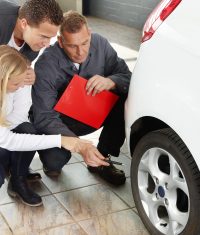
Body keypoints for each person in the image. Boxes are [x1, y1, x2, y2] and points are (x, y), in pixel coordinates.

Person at [0, 45, 108, 207]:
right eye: (16, 84)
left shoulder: (22, 80)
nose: (21, 86)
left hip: (5, 135)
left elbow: (17, 120)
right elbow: (7, 139)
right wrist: (61, 140)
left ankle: (16, 177)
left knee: (27, 130)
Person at [32, 11, 131, 186]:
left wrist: (111, 81)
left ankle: (102, 159)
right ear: (60, 41)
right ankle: (51, 157)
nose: (80, 52)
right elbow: (44, 116)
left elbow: (126, 76)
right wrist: (80, 145)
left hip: (92, 112)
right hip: (60, 122)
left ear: (90, 34)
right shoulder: (45, 65)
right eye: (72, 46)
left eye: (85, 43)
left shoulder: (100, 43)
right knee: (54, 164)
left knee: (124, 96)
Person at [0, 0, 64, 181]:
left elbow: (19, 69)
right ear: (24, 23)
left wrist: (26, 74)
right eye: (44, 36)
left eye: (51, 37)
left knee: (25, 127)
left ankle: (16, 173)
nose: (47, 43)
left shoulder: (33, 45)